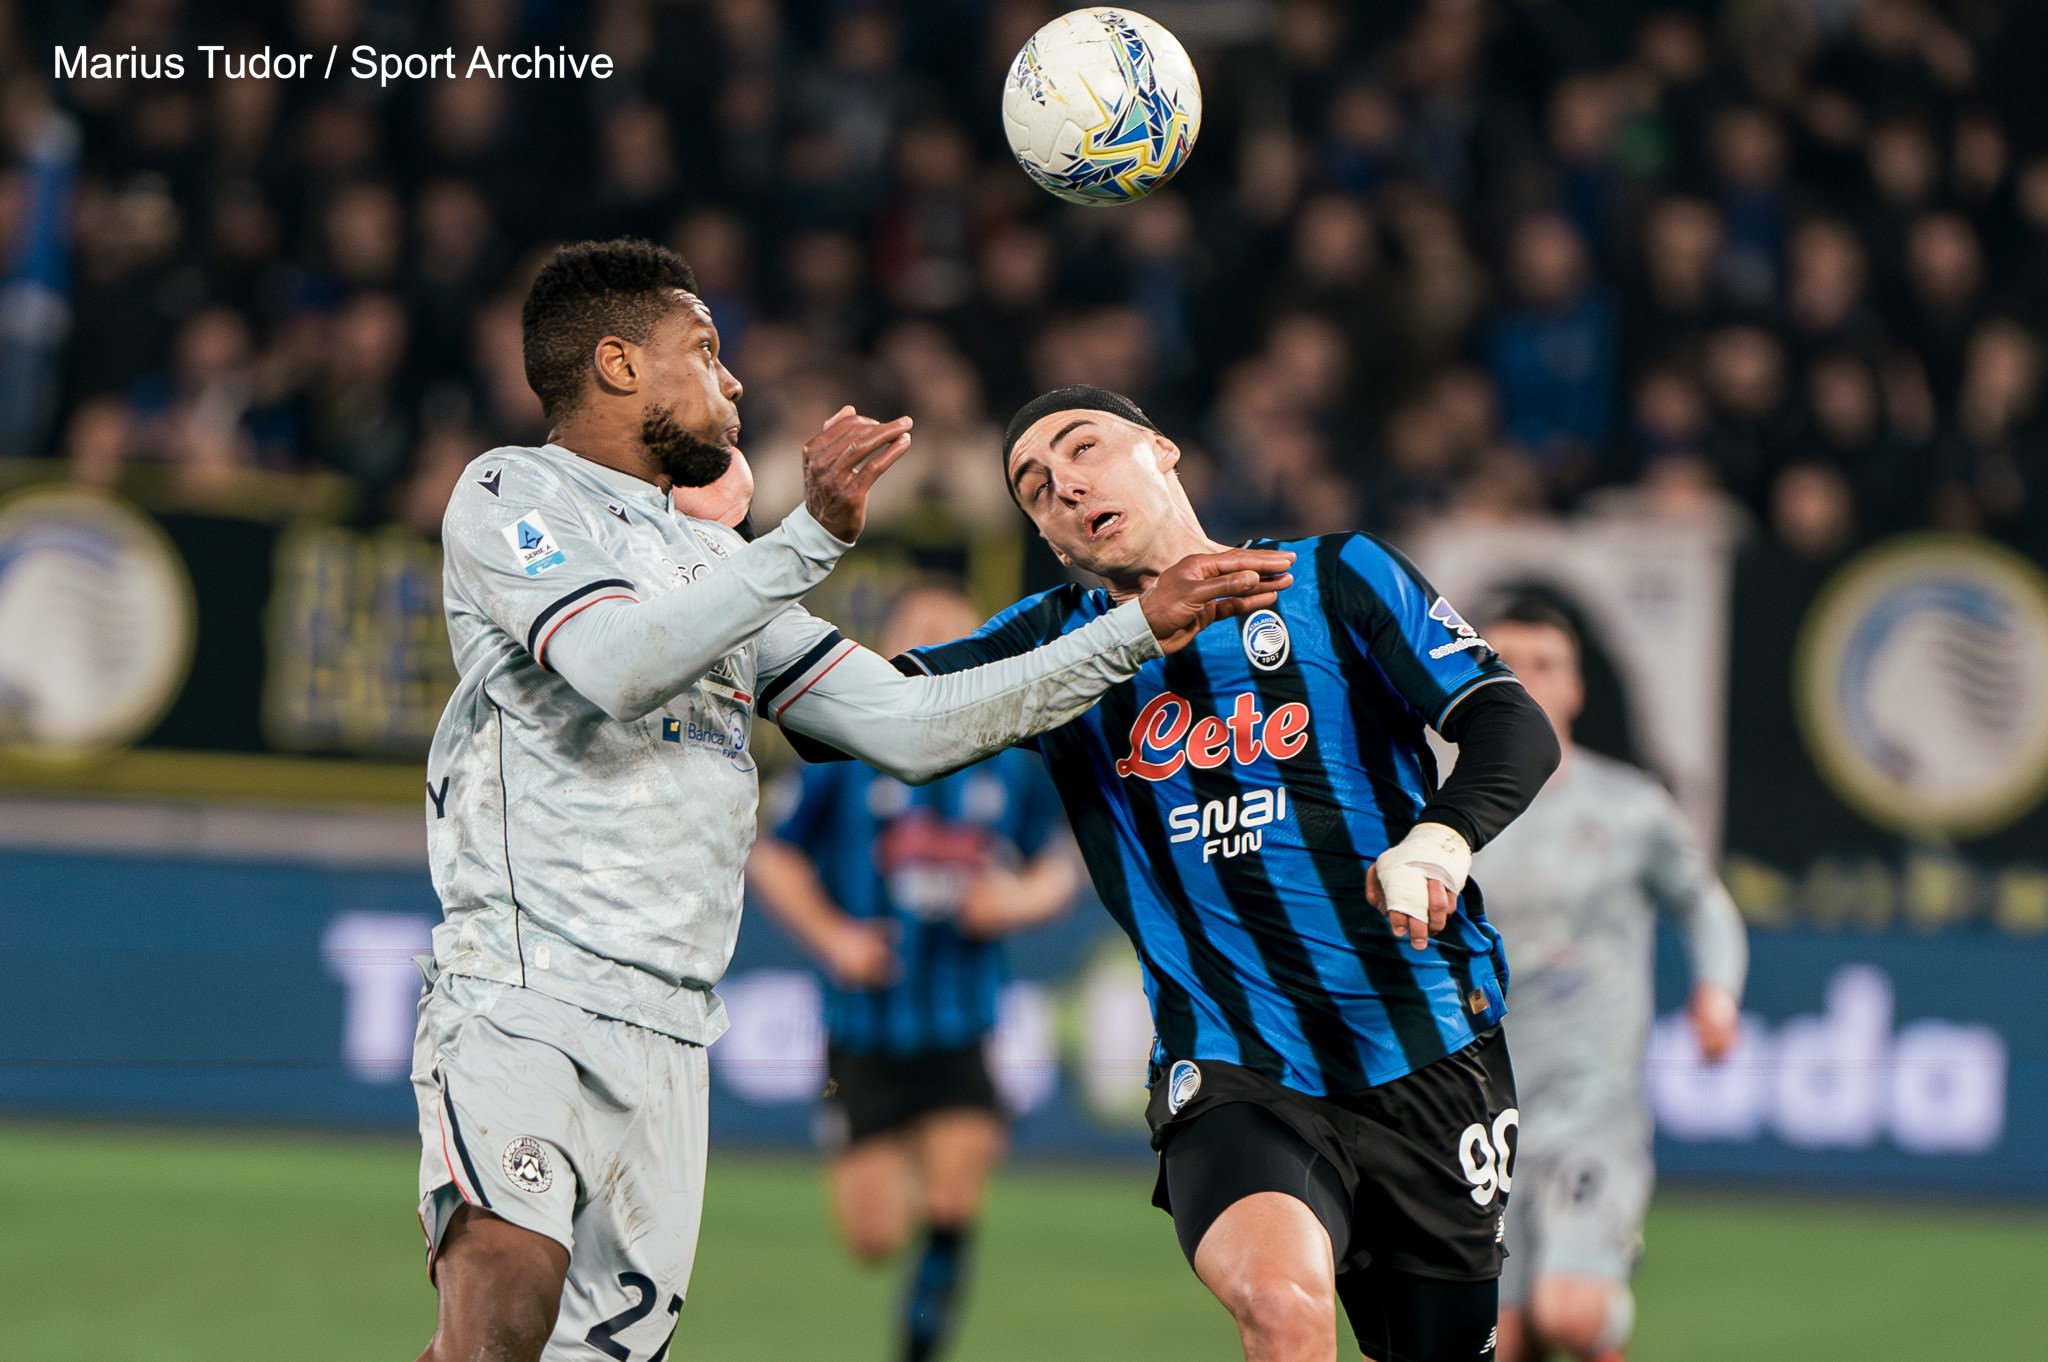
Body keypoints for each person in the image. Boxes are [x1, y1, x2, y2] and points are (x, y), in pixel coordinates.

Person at [409, 243, 1292, 1362]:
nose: (731, 384)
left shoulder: (712, 569)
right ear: (619, 366)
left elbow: (911, 729)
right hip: (523, 991)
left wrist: (1133, 629)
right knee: (503, 1311)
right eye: (705, 351)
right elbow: (619, 665)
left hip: (673, 1026)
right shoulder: (511, 493)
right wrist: (806, 537)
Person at [804, 385, 1562, 1362]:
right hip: (1233, 1068)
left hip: (1426, 1046)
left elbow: (1506, 719)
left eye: (1083, 450)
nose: (1063, 485)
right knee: (1281, 1309)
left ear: (1161, 452)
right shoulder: (1048, 647)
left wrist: (1437, 841)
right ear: (1048, 537)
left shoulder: (1336, 576)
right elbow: (850, 715)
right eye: (1034, 489)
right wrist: (802, 542)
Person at [749, 581, 1079, 1362]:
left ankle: (921, 1342)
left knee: (952, 1201)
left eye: (950, 631)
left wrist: (1016, 902)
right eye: (918, 631)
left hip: (962, 1021)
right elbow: (775, 858)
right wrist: (835, 938)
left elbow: (1056, 870)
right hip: (861, 1029)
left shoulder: (1013, 756)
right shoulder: (841, 751)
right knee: (872, 1239)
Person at [1471, 598, 1748, 1362]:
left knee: (1572, 1313)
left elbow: (1705, 906)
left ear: (1576, 689)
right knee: (1505, 1338)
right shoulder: (1443, 811)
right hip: (1479, 1111)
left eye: (1545, 664)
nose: (1525, 679)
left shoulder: (1629, 808)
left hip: (1592, 1108)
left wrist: (1716, 994)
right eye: (1506, 662)